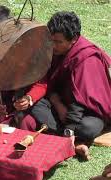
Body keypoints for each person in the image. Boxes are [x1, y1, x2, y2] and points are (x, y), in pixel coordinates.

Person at [30, 11, 111, 160]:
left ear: (74, 39)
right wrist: (57, 103)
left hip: (86, 111)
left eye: (58, 42)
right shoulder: (53, 49)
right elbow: (45, 82)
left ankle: (70, 137)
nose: (53, 46)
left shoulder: (87, 58)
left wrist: (69, 129)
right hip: (59, 103)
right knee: (34, 103)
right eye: (51, 40)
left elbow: (81, 99)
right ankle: (77, 142)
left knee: (88, 128)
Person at [0, 5, 47, 130]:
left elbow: (41, 83)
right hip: (1, 107)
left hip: (24, 109)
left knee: (27, 122)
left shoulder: (28, 48)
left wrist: (29, 98)